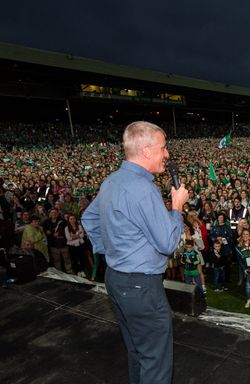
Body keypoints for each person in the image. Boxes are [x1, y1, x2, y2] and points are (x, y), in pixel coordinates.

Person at [81, 121, 188, 384]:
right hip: (142, 287)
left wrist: (113, 252)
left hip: (117, 278)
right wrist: (177, 208)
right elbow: (167, 243)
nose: (167, 155)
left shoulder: (112, 181)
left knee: (138, 352)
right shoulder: (142, 189)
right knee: (155, 361)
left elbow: (89, 219)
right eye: (163, 148)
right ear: (147, 151)